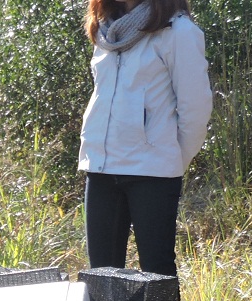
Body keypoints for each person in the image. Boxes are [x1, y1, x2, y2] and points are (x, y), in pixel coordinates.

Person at [78, 0, 211, 277]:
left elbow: (195, 110)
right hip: (100, 167)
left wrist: (169, 160)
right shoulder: (106, 30)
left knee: (157, 272)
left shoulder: (178, 31)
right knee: (101, 274)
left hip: (152, 172)